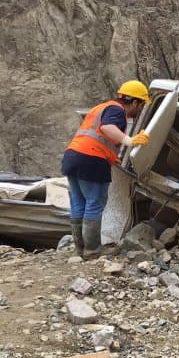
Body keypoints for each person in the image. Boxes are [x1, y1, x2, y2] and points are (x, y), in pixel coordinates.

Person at [61, 80, 151, 258]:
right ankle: (93, 250)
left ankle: (81, 249)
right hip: (91, 159)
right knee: (94, 203)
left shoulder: (102, 107)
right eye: (141, 105)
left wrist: (112, 156)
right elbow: (107, 128)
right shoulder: (117, 110)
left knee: (79, 203)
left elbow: (97, 136)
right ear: (134, 102)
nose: (140, 110)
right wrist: (130, 141)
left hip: (73, 156)